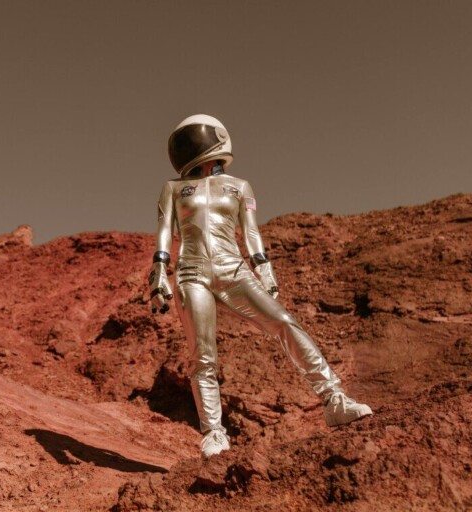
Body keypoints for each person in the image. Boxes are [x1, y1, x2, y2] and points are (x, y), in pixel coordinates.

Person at [149, 114, 372, 458]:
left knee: (283, 323)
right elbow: (165, 230)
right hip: (191, 272)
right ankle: (213, 433)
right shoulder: (174, 188)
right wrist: (159, 271)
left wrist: (263, 267)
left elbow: (250, 231)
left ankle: (335, 400)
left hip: (234, 269)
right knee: (203, 355)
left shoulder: (240, 187)